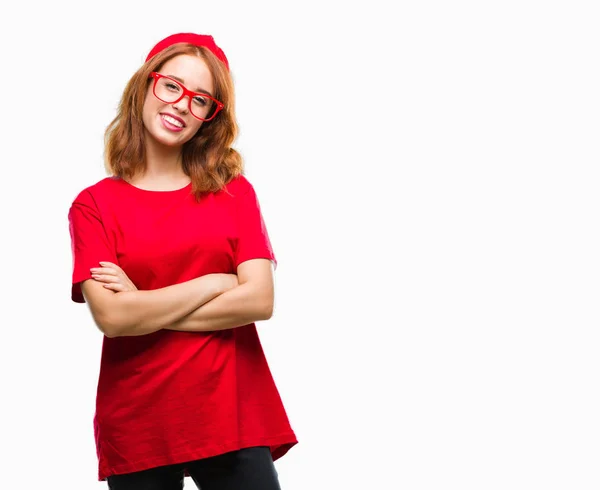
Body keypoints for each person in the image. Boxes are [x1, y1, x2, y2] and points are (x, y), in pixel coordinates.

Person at [67, 32, 297, 490]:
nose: (180, 106)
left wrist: (144, 306)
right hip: (140, 422)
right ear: (145, 86)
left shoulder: (234, 194)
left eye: (200, 100)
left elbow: (259, 300)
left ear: (210, 118)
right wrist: (214, 282)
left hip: (232, 414)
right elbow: (112, 317)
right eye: (171, 86)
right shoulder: (92, 206)